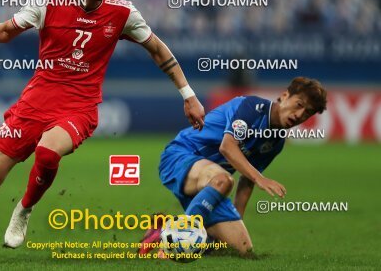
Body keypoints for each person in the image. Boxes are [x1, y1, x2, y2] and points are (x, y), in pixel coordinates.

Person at [0, 0, 205, 263]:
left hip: (79, 107)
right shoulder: (47, 2)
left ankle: (24, 209)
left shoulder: (123, 12)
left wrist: (188, 95)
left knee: (49, 151)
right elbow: (3, 33)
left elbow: (159, 51)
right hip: (35, 102)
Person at [139, 77, 327, 256]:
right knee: (223, 180)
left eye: (308, 112)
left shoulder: (276, 142)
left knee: (241, 249)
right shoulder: (252, 108)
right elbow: (228, 147)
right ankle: (172, 242)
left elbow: (247, 180)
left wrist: (235, 218)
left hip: (210, 184)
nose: (300, 115)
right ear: (285, 96)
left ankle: (163, 228)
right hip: (181, 156)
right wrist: (260, 178)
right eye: (299, 105)